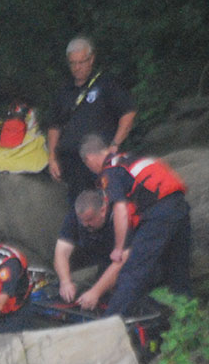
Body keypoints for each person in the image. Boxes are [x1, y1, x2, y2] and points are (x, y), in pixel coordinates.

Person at [79, 135, 191, 317]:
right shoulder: (130, 160)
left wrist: (119, 248)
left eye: (88, 165)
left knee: (132, 273)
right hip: (178, 207)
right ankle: (187, 320)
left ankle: (108, 326)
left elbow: (121, 209)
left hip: (157, 213)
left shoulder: (111, 170)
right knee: (178, 272)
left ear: (89, 159)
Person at [46, 37, 137, 204]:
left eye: (81, 62)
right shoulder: (64, 90)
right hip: (72, 162)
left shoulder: (106, 84)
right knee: (79, 207)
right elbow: (54, 126)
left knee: (105, 204)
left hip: (99, 160)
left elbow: (128, 113)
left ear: (91, 59)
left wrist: (115, 145)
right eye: (73, 63)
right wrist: (52, 157)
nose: (77, 67)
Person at [53, 189, 126, 311]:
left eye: (90, 219)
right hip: (94, 263)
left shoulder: (119, 217)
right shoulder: (75, 216)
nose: (85, 224)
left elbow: (122, 261)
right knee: (68, 286)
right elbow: (61, 251)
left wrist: (95, 292)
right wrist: (65, 282)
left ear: (103, 211)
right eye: (82, 220)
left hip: (123, 264)